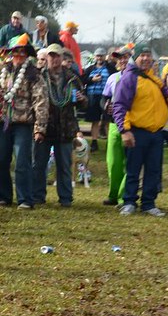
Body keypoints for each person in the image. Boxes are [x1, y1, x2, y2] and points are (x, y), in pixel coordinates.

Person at [112, 45, 168, 216]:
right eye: (142, 56)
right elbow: (120, 105)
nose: (145, 59)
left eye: (148, 55)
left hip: (156, 133)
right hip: (137, 131)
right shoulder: (129, 78)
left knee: (153, 170)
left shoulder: (155, 79)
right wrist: (124, 130)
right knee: (133, 168)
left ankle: (149, 203)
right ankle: (129, 201)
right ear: (135, 58)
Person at [33, 43, 85, 207]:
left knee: (64, 166)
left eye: (57, 55)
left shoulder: (72, 77)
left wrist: (83, 99)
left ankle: (65, 198)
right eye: (51, 55)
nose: (54, 59)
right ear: (46, 57)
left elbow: (84, 103)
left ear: (63, 58)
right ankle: (37, 196)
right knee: (39, 165)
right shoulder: (38, 76)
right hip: (44, 128)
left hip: (65, 128)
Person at [0, 35, 46, 208]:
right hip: (3, 122)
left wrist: (39, 128)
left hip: (24, 124)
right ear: (11, 53)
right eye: (15, 51)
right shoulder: (3, 71)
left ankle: (25, 199)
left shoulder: (34, 74)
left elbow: (41, 101)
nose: (18, 55)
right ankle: (4, 196)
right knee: (1, 159)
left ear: (27, 55)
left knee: (22, 162)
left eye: (22, 52)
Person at [101, 46, 130, 206]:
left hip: (129, 124)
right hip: (113, 124)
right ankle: (113, 194)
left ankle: (122, 196)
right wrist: (105, 106)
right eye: (120, 58)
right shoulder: (112, 77)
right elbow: (103, 98)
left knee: (128, 162)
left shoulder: (135, 77)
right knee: (113, 162)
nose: (123, 60)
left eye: (126, 57)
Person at [82, 48, 110, 151]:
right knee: (95, 120)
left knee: (107, 120)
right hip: (92, 96)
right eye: (97, 56)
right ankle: (94, 142)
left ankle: (109, 142)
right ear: (95, 57)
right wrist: (92, 79)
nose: (99, 58)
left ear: (104, 57)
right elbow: (82, 80)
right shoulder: (90, 69)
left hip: (105, 97)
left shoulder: (109, 68)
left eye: (101, 56)